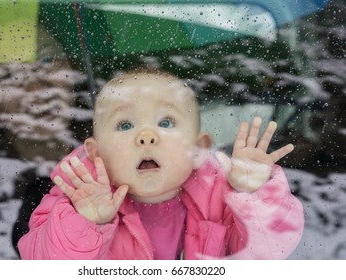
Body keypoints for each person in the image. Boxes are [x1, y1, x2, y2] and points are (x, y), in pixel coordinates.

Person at [17, 69, 304, 260]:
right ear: (96, 153)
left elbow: (268, 251)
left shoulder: (223, 196)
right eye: (125, 124)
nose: (146, 136)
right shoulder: (74, 197)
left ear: (198, 149)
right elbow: (42, 261)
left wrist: (253, 194)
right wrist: (87, 221)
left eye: (165, 122)